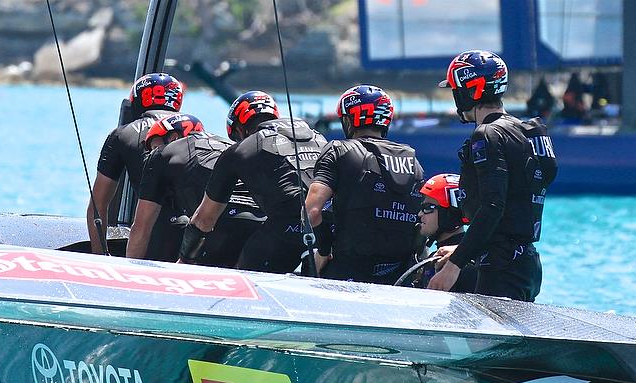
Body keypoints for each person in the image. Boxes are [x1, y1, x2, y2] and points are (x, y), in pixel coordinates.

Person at [430, 50, 557, 302]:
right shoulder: (525, 132)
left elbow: (492, 206)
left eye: (456, 90)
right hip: (527, 263)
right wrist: (463, 249)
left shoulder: (487, 134)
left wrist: (455, 265)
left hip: (501, 268)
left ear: (470, 91)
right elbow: (515, 206)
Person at [179, 90, 327, 273]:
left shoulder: (239, 151)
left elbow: (205, 219)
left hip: (289, 226)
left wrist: (184, 261)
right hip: (329, 227)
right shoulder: (318, 137)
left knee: (244, 271)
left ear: (240, 129)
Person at [306, 85, 424, 285]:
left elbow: (311, 211)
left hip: (346, 272)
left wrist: (324, 252)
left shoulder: (338, 150)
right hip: (398, 276)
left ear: (349, 120)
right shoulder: (414, 162)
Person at [126, 113, 265, 267]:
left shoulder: (162, 154)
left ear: (173, 138)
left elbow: (141, 227)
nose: (152, 153)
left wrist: (129, 273)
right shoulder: (230, 145)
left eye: (154, 147)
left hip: (216, 224)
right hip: (261, 223)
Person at [88, 72, 184, 259]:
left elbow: (98, 204)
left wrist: (99, 256)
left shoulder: (122, 134)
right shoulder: (198, 131)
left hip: (151, 233)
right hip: (200, 235)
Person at [414, 173, 476, 292]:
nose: (420, 214)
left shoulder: (462, 265)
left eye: (427, 208)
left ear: (450, 214)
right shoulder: (432, 256)